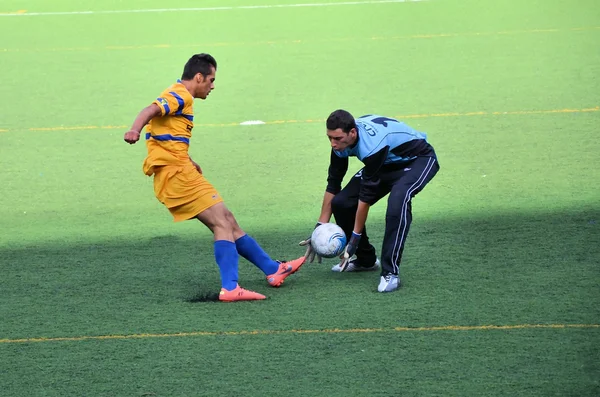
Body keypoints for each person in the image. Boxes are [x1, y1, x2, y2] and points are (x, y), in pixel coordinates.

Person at [124, 53, 304, 302]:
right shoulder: (181, 95)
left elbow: (166, 134)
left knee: (227, 220)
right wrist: (134, 128)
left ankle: (273, 270)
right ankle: (230, 288)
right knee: (222, 223)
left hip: (180, 170)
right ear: (199, 77)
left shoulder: (180, 95)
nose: (213, 85)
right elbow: (150, 110)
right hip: (177, 176)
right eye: (211, 79)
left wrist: (188, 159)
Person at [300, 109, 439, 292]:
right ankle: (366, 261)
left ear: (353, 132)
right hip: (387, 163)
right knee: (342, 203)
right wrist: (319, 228)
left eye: (338, 139)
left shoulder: (372, 147)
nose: (333, 144)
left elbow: (365, 199)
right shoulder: (340, 145)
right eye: (330, 138)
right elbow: (333, 184)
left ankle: (390, 274)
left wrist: (354, 239)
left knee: (398, 200)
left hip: (417, 160)